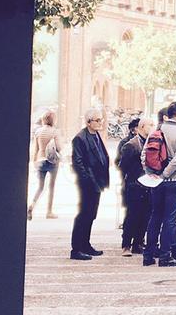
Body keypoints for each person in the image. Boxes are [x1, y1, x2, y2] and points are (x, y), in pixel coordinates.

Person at [142, 100, 176, 267]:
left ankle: (148, 255)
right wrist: (165, 175)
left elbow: (144, 155)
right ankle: (165, 256)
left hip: (156, 181)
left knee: (155, 216)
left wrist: (152, 174)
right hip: (174, 180)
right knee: (170, 219)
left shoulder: (157, 129)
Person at [70, 108, 110, 260]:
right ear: (88, 122)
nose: (101, 122)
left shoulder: (96, 135)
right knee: (84, 214)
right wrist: (88, 181)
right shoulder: (80, 138)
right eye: (97, 120)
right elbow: (78, 163)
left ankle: (85, 245)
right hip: (88, 184)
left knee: (91, 215)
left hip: (97, 183)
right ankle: (76, 249)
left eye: (101, 119)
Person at [118, 117, 153, 256]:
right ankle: (126, 244)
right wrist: (132, 179)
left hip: (148, 184)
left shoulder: (151, 142)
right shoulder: (131, 145)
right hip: (134, 184)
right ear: (142, 127)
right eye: (150, 125)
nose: (152, 127)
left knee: (145, 216)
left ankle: (138, 243)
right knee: (132, 215)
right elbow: (123, 166)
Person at [28, 109, 61, 221]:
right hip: (52, 162)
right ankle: (49, 211)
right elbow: (59, 147)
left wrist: (34, 161)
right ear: (53, 120)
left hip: (40, 160)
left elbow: (36, 149)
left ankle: (31, 205)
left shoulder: (38, 132)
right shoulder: (55, 132)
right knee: (51, 187)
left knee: (40, 187)